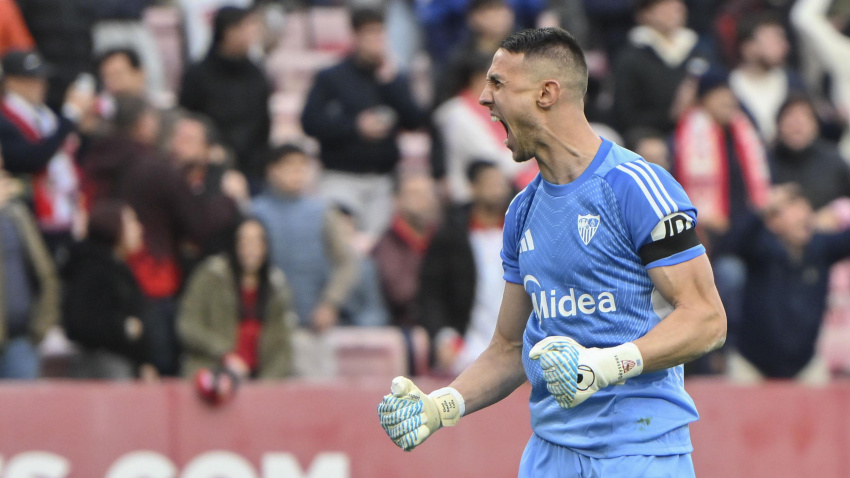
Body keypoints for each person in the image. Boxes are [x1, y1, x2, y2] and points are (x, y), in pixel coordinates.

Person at [377, 28, 727, 478]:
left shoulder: (636, 186)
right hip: (549, 456)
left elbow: (707, 319)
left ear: (547, 93)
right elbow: (508, 348)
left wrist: (604, 365)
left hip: (638, 451)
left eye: (498, 84)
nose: (484, 98)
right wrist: (442, 405)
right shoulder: (522, 210)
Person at [83, 95, 240, 376]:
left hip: (110, 275)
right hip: (155, 278)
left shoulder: (100, 158)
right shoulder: (156, 169)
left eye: (187, 138)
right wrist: (228, 199)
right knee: (160, 363)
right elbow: (199, 224)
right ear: (144, 124)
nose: (176, 143)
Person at [301, 7, 427, 241]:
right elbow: (310, 122)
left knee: (379, 250)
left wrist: (390, 83)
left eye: (379, 33)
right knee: (339, 246)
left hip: (383, 180)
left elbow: (415, 120)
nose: (375, 40)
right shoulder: (331, 77)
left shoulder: (392, 78)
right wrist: (354, 126)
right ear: (355, 36)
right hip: (340, 177)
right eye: (369, 34)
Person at [726, 184, 850, 385]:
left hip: (804, 366)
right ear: (774, 222)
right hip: (751, 365)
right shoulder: (760, 248)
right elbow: (733, 242)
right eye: (793, 211)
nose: (803, 217)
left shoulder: (820, 248)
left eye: (805, 210)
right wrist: (763, 207)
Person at [418, 161, 513, 376]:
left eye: (501, 184)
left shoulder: (522, 235)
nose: (496, 190)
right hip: (465, 345)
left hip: (517, 346)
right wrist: (443, 337)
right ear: (473, 187)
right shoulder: (450, 235)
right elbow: (431, 293)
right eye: (490, 184)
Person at [0, 49, 93, 260]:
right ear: (11, 82)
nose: (39, 85)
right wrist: (70, 117)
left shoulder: (46, 115)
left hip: (64, 211)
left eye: (41, 79)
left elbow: (72, 156)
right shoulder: (5, 120)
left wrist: (82, 128)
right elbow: (32, 158)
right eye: (30, 80)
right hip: (33, 215)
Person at [178, 218, 295, 380]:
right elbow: (187, 326)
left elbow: (283, 346)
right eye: (244, 241)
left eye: (256, 241)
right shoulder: (211, 277)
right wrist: (223, 353)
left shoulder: (276, 287)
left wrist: (267, 386)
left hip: (261, 379)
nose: (250, 248)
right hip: (213, 375)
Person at [179, 6, 271, 188]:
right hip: (210, 162)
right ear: (228, 31)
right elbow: (188, 116)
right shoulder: (198, 74)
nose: (252, 35)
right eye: (246, 28)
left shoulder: (256, 74)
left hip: (253, 164)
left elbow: (263, 122)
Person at [62, 201, 155, 380]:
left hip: (124, 364)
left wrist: (144, 360)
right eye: (132, 222)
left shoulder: (119, 267)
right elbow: (82, 322)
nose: (139, 228)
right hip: (103, 369)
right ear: (113, 227)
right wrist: (125, 328)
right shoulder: (92, 270)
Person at [433, 51, 530, 203]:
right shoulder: (457, 114)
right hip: (470, 203)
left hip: (504, 196)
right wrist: (536, 146)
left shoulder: (497, 110)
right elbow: (495, 163)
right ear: (478, 79)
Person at [612, 0, 714, 141]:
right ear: (645, 14)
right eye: (664, 7)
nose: (673, 11)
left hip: (699, 130)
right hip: (652, 133)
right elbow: (625, 115)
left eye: (677, 6)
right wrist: (672, 113)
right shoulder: (631, 56)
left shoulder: (699, 50)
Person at [0, 144, 59, 379]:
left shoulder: (16, 212)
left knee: (21, 413)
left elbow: (44, 271)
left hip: (21, 340)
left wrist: (41, 326)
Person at [372, 172, 440, 329]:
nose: (425, 200)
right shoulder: (387, 245)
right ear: (397, 200)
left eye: (429, 193)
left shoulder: (442, 237)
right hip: (403, 327)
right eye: (415, 194)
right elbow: (402, 294)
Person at [729, 14, 805, 143]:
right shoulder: (727, 87)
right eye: (774, 39)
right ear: (748, 47)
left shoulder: (794, 83)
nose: (784, 46)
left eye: (783, 39)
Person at [771, 94, 850, 212]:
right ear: (778, 124)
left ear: (816, 125)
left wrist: (839, 214)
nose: (797, 124)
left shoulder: (834, 160)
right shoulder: (763, 162)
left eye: (805, 116)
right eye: (790, 116)